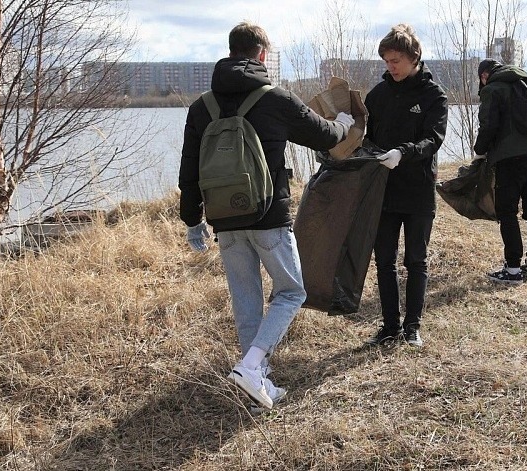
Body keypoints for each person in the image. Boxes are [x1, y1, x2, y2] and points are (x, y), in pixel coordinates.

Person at [178, 22, 354, 410]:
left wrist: (193, 219)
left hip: (224, 219)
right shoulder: (275, 99)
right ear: (261, 54)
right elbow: (323, 135)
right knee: (292, 291)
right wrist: (342, 124)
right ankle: (253, 366)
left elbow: (188, 168)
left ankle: (258, 385)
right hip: (268, 216)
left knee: (246, 302)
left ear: (229, 51)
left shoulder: (200, 106)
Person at [363, 24, 448, 347]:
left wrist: (404, 152)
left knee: (416, 260)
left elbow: (433, 140)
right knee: (384, 259)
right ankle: (389, 326)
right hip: (382, 188)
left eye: (396, 60)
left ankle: (412, 326)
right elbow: (366, 136)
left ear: (414, 57)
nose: (390, 67)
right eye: (386, 61)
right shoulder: (378, 94)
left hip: (418, 188)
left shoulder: (433, 95)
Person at [473, 59, 527, 285]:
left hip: (510, 157)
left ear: (484, 75)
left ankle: (513, 270)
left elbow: (488, 125)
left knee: (507, 211)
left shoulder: (492, 89)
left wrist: (480, 152)